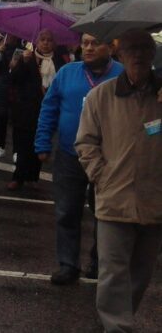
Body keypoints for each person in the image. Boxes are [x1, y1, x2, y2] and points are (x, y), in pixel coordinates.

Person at [76, 29, 162, 332]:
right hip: (115, 198)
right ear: (120, 54)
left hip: (154, 200)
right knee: (113, 272)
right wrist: (103, 177)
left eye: (143, 48)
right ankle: (118, 327)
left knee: (141, 273)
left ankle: (121, 321)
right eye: (131, 49)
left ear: (152, 54)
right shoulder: (103, 95)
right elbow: (85, 143)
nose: (137, 54)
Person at [35, 32, 123, 285]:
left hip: (109, 158)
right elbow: (49, 108)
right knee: (66, 211)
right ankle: (68, 263)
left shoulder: (121, 75)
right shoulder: (67, 73)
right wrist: (42, 141)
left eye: (95, 43)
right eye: (85, 43)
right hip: (70, 154)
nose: (89, 48)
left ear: (110, 46)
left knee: (104, 214)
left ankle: (98, 261)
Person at [7, 29, 70, 190]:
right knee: (23, 145)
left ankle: (32, 176)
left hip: (47, 111)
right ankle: (18, 177)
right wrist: (22, 62)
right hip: (26, 109)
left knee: (40, 144)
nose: (46, 43)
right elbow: (14, 79)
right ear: (37, 42)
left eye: (49, 40)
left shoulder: (60, 62)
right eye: (42, 39)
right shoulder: (28, 58)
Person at [0, 35, 20, 159]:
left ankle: (16, 151)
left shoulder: (21, 50)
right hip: (2, 89)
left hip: (16, 89)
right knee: (1, 119)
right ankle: (0, 146)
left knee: (16, 121)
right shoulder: (1, 50)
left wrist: (15, 67)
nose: (9, 39)